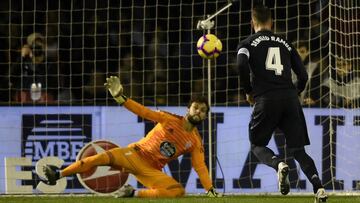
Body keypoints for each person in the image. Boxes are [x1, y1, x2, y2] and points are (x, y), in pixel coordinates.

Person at [43, 76, 221, 198]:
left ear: (205, 117)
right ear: (188, 108)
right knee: (97, 158)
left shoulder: (195, 141)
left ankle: (133, 193)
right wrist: (121, 98)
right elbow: (143, 111)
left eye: (203, 110)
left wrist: (210, 190)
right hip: (134, 154)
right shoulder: (169, 119)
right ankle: (58, 174)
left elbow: (200, 167)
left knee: (177, 192)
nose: (199, 112)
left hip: (151, 170)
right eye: (196, 107)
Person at [236, 5, 327, 203]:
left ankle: (278, 164)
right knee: (299, 150)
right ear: (272, 22)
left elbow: (242, 64)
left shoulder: (247, 43)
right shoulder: (285, 42)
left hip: (266, 99)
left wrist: (248, 91)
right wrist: (296, 91)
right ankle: (319, 188)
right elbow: (302, 74)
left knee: (257, 145)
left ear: (252, 23)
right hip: (290, 100)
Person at [10, 32, 58, 103]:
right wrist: (22, 57)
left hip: (43, 98)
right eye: (34, 44)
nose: (37, 48)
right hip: (25, 98)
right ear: (29, 46)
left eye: (39, 44)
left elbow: (54, 85)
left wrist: (41, 63)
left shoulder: (49, 63)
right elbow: (11, 77)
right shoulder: (23, 61)